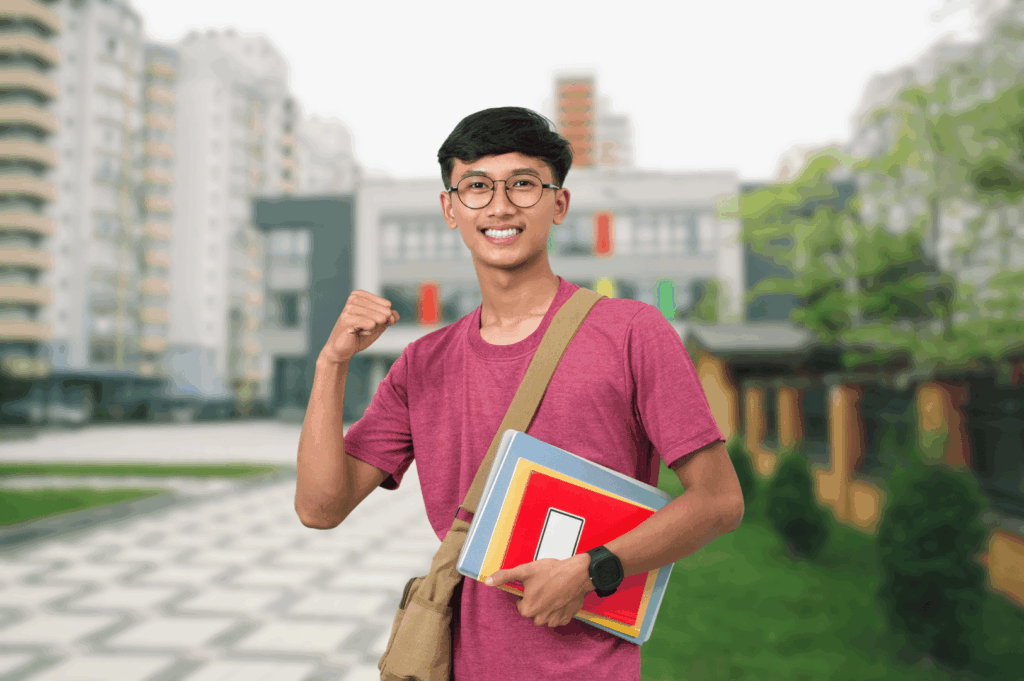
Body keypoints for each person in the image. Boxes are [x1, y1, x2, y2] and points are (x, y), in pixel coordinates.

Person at [295, 106, 745, 680]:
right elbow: (319, 508)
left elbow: (719, 501)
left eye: (524, 185)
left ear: (558, 203)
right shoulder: (422, 364)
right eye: (477, 187)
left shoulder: (632, 332)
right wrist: (331, 363)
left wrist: (590, 571)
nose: (501, 206)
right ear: (450, 208)